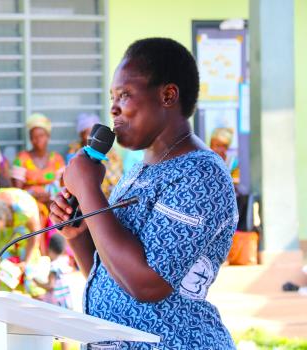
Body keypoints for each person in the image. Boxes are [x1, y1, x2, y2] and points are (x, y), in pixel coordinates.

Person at [50, 38, 238, 349]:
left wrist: (86, 188)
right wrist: (77, 233)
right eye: (112, 96)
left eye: (124, 95)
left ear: (168, 95)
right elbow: (111, 275)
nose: (113, 107)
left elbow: (147, 284)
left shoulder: (200, 173)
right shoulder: (139, 170)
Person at [11, 113, 65, 253]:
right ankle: (38, 253)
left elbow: (63, 186)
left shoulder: (56, 159)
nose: (38, 140)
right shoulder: (22, 159)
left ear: (48, 136)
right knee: (39, 212)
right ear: (30, 139)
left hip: (52, 201)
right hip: (29, 203)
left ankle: (57, 254)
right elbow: (17, 191)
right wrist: (35, 198)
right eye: (34, 137)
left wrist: (49, 197)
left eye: (41, 135)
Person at [0, 188, 45, 296]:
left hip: (26, 232)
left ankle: (36, 299)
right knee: (3, 270)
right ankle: (4, 297)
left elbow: (35, 233)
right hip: (6, 231)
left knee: (30, 275)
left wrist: (26, 262)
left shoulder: (23, 210)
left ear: (2, 218)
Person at [66, 113, 123, 198]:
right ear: (81, 135)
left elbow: (116, 179)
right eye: (87, 133)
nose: (93, 138)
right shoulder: (74, 150)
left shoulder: (110, 153)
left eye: (96, 134)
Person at [33, 233, 72, 309]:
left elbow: (51, 286)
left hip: (56, 304)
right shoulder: (65, 261)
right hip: (65, 300)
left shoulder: (54, 266)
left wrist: (37, 282)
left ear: (49, 249)